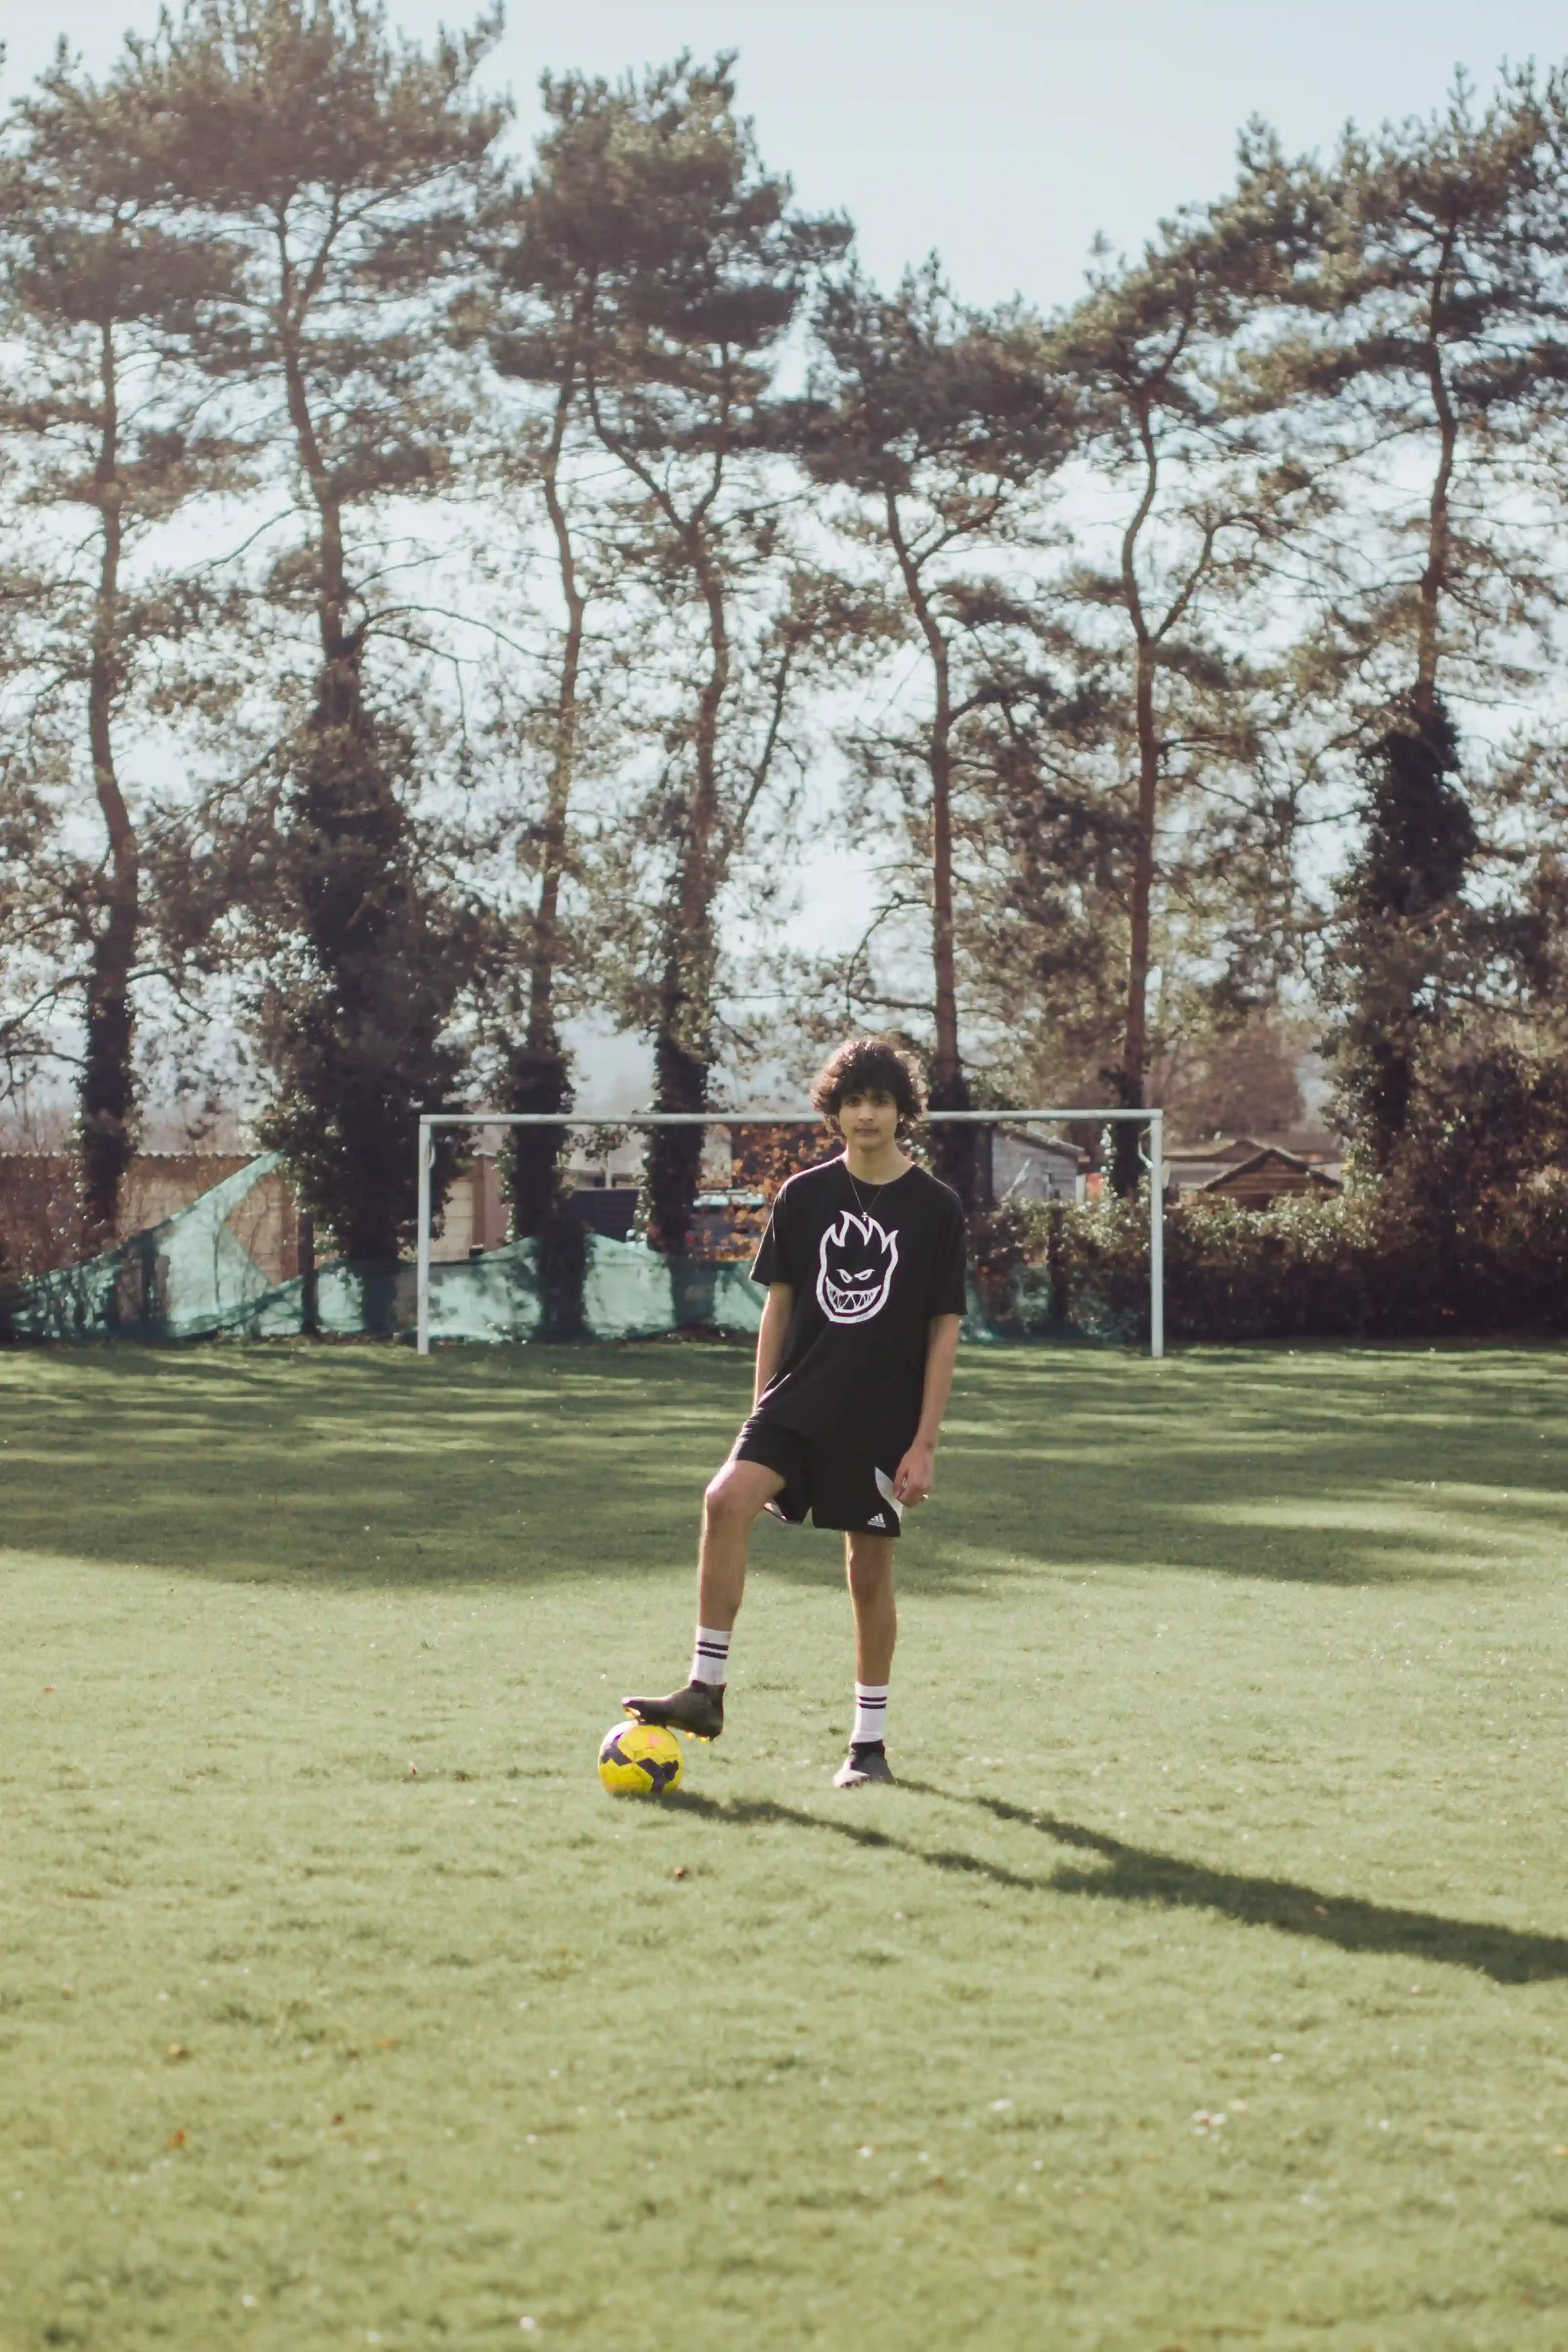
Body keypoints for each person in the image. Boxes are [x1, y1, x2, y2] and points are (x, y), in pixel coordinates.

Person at [623, 1037, 967, 1788]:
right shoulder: (804, 1196)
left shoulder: (936, 1208)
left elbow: (945, 1327)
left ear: (901, 1110)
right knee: (723, 1498)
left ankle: (867, 1747)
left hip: (880, 1419)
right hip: (794, 1402)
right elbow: (776, 1310)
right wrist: (758, 1414)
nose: (866, 1114)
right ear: (834, 1110)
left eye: (879, 1101)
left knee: (868, 1573)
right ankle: (705, 1689)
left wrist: (925, 1442)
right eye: (853, 1101)